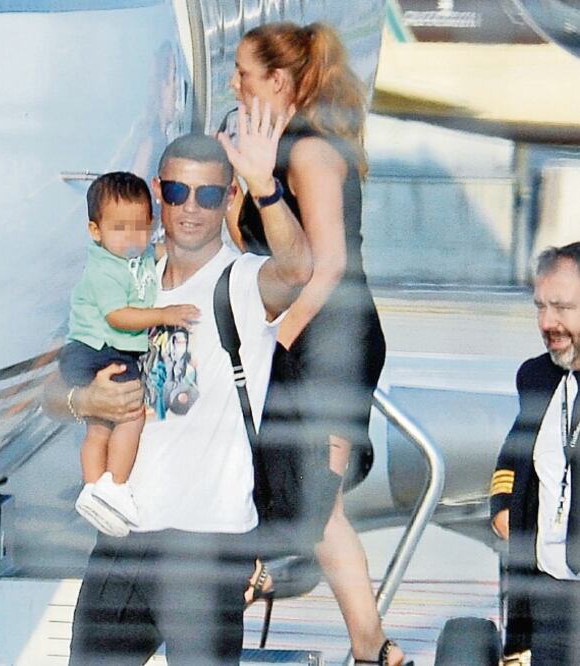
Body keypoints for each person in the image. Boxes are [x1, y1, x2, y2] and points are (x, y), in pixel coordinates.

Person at [46, 118, 313, 663]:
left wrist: (267, 186)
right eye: (176, 191)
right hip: (122, 539)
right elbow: (53, 386)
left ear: (228, 198)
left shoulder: (238, 284)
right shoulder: (126, 278)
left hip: (206, 544)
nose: (191, 207)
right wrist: (85, 401)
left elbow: (297, 269)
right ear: (158, 191)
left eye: (209, 194)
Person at [220, 21, 404, 666]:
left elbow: (327, 267)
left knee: (320, 508)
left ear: (278, 80)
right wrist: (243, 181)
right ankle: (371, 647)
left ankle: (373, 649)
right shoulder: (276, 151)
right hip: (298, 333)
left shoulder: (312, 152)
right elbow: (253, 248)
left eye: (244, 72)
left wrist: (274, 342)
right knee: (289, 493)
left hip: (332, 338)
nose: (233, 82)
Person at [61, 171, 199, 537]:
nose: (130, 237)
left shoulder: (133, 258)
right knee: (130, 416)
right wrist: (165, 315)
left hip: (96, 349)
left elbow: (152, 257)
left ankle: (93, 490)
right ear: (95, 231)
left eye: (139, 227)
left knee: (99, 426)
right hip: (98, 349)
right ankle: (114, 487)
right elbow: (118, 317)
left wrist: (172, 247)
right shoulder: (105, 268)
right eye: (119, 228)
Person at [491, 242, 580, 665]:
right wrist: (504, 506)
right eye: (540, 307)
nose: (547, 322)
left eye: (562, 308)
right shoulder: (538, 378)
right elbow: (514, 455)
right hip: (550, 592)